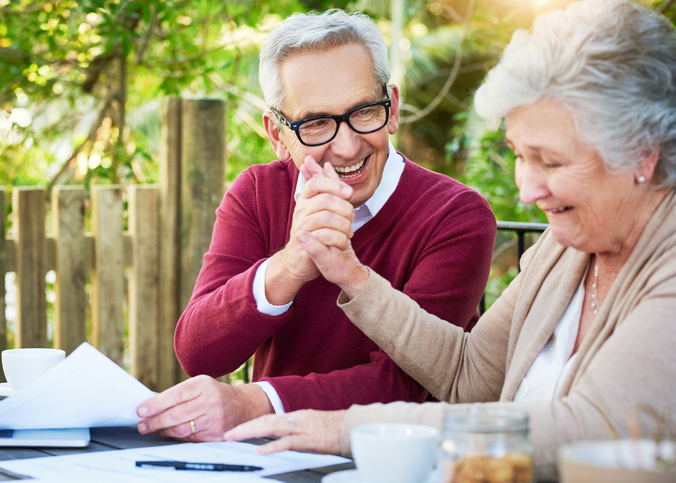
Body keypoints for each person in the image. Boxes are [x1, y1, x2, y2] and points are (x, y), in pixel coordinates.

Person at [223, 0, 676, 479]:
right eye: (520, 155)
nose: (526, 190)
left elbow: (586, 428)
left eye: (551, 161)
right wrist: (350, 275)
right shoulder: (568, 248)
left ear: (641, 156)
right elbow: (469, 374)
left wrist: (349, 428)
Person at [135, 10, 496, 441]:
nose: (346, 147)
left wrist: (255, 403)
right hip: (278, 457)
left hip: (400, 458)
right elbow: (199, 352)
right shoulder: (257, 192)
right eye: (317, 124)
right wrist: (290, 266)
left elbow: (408, 385)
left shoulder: (456, 214)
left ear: (393, 108)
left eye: (364, 112)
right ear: (277, 134)